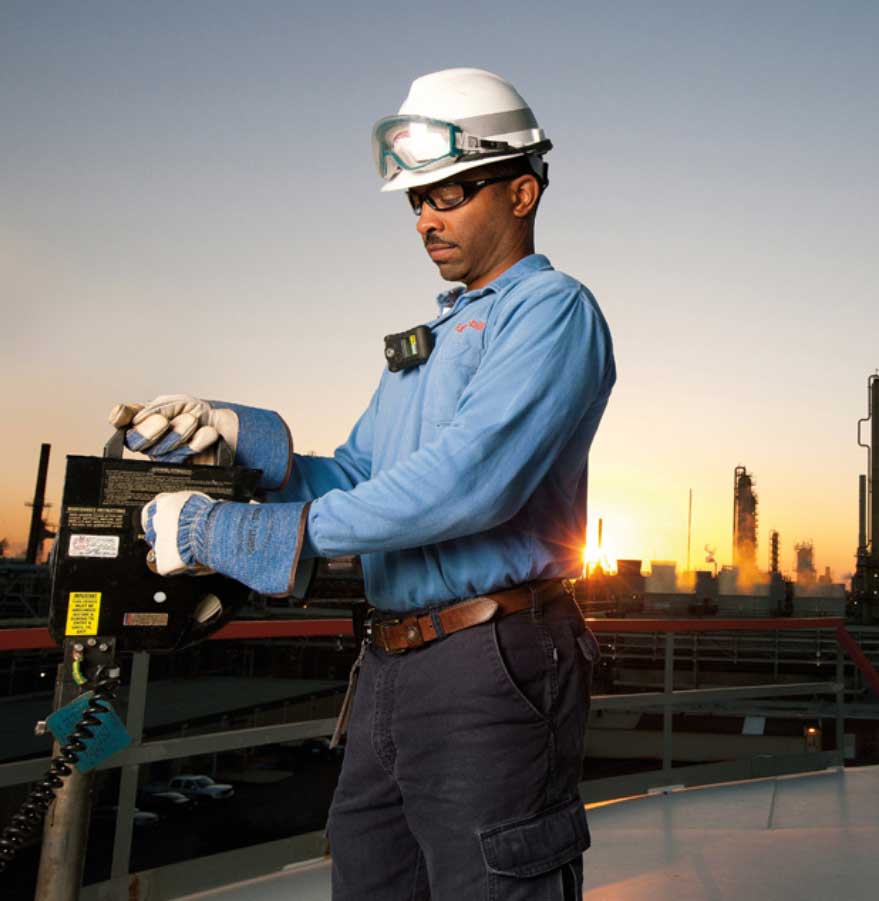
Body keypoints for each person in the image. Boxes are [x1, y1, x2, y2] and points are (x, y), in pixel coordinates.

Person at [113, 67, 616, 900]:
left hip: (489, 661)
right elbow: (354, 473)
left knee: (491, 879)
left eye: (450, 193)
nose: (426, 218)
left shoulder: (552, 311)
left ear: (521, 191)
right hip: (390, 664)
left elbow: (468, 483)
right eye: (417, 200)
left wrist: (234, 535)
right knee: (372, 877)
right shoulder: (434, 337)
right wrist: (243, 443)